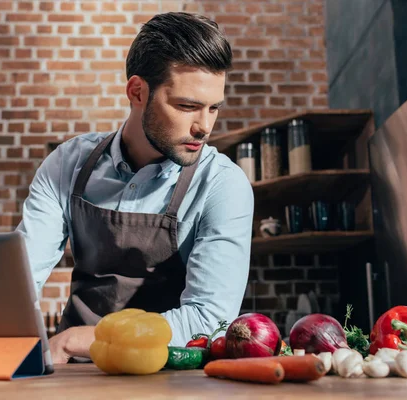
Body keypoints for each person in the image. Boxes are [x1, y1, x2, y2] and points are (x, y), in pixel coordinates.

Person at [16, 12, 254, 364]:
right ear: (137, 91)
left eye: (213, 108)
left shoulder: (223, 184)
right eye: (187, 106)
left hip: (173, 375)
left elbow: (210, 321)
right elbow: (22, 280)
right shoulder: (67, 164)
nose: (204, 126)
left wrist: (77, 340)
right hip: (74, 373)